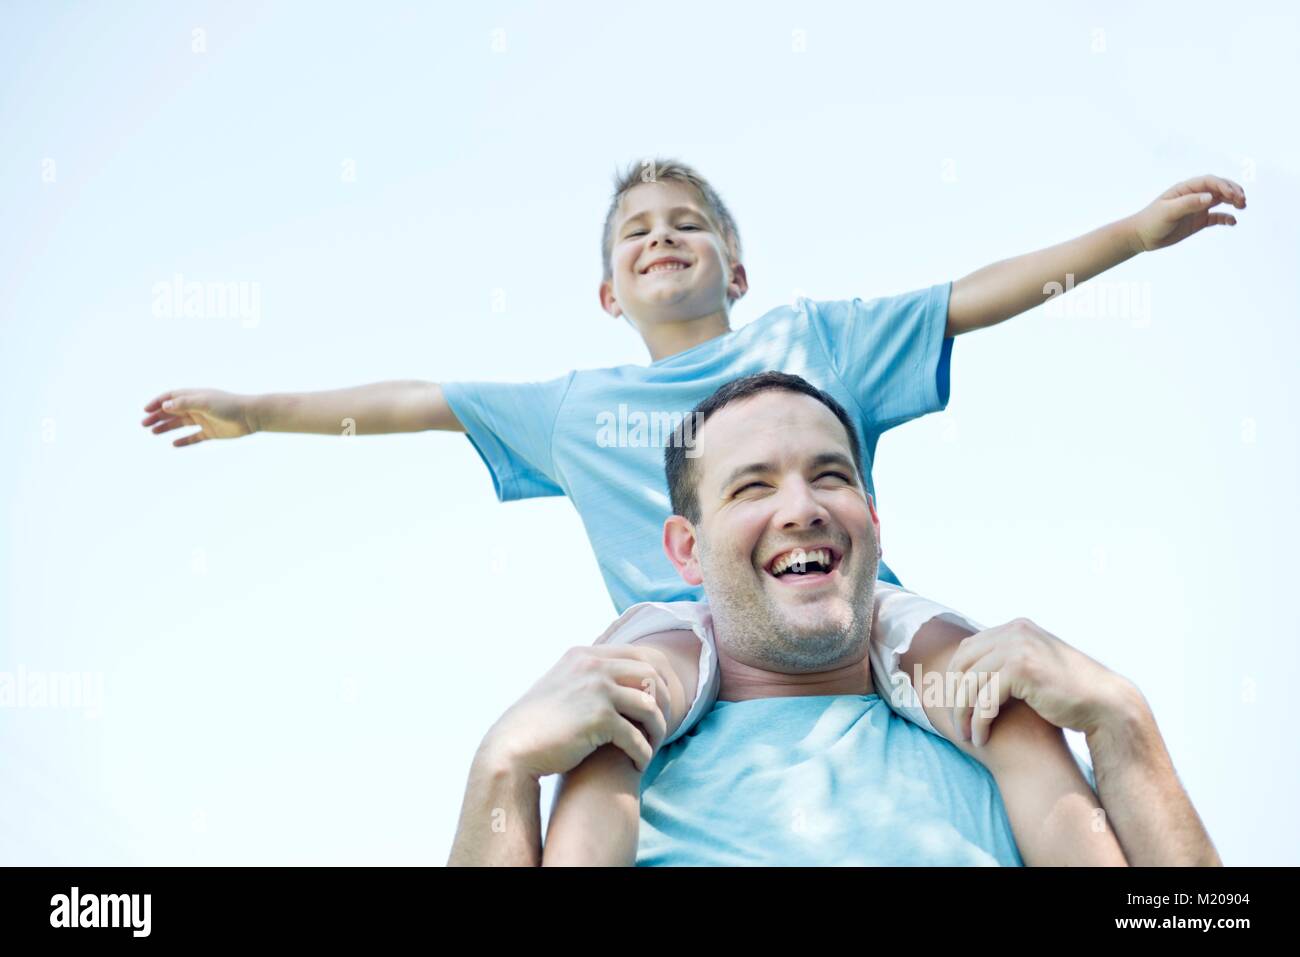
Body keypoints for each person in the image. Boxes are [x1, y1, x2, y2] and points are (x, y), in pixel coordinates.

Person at [450, 374, 1220, 866]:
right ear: (687, 551)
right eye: (751, 487)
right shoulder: (624, 764)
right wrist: (501, 769)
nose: (803, 507)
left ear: (874, 522)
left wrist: (1126, 722)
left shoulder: (996, 739)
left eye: (830, 475)